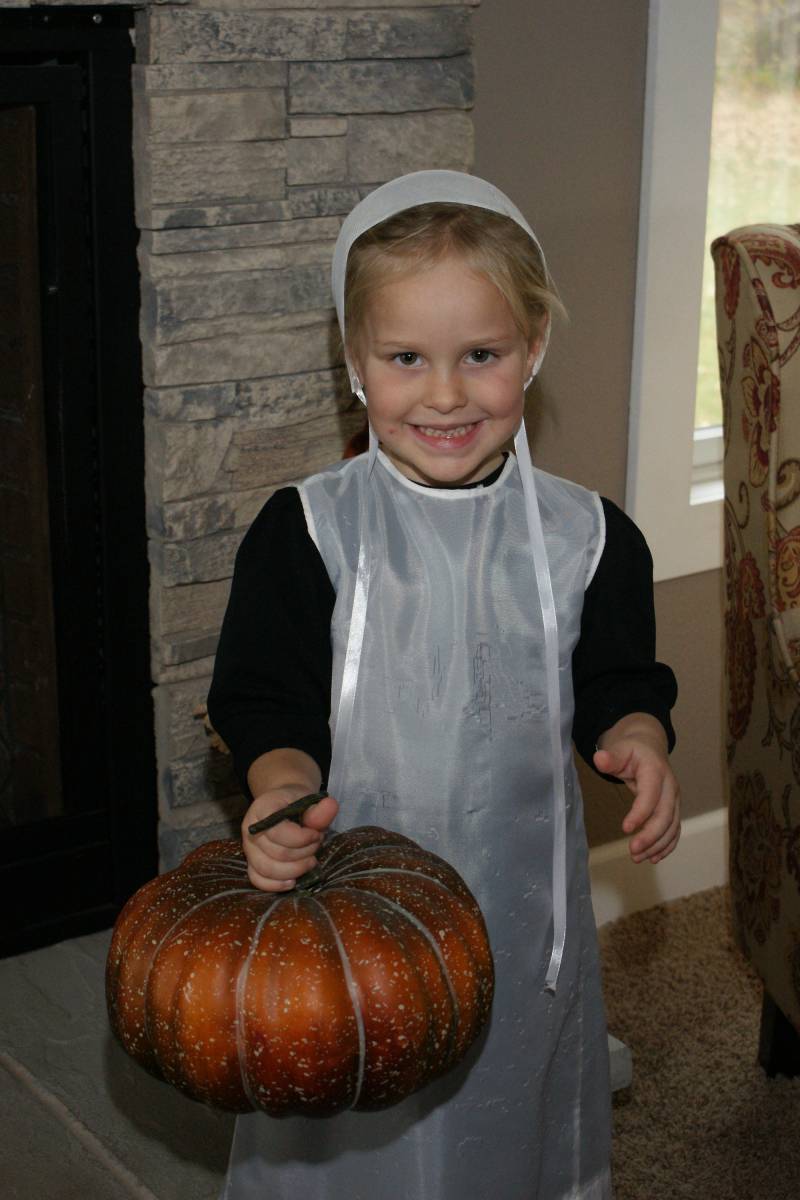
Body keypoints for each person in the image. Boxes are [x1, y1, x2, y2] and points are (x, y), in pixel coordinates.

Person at [207, 170, 680, 1200]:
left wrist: (637, 735)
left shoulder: (591, 539)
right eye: (405, 358)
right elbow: (262, 702)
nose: (446, 393)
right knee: (357, 1108)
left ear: (533, 351)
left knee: (504, 1102)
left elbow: (618, 681)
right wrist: (280, 788)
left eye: (482, 355)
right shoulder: (305, 532)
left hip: (515, 905)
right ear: (353, 364)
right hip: (352, 910)